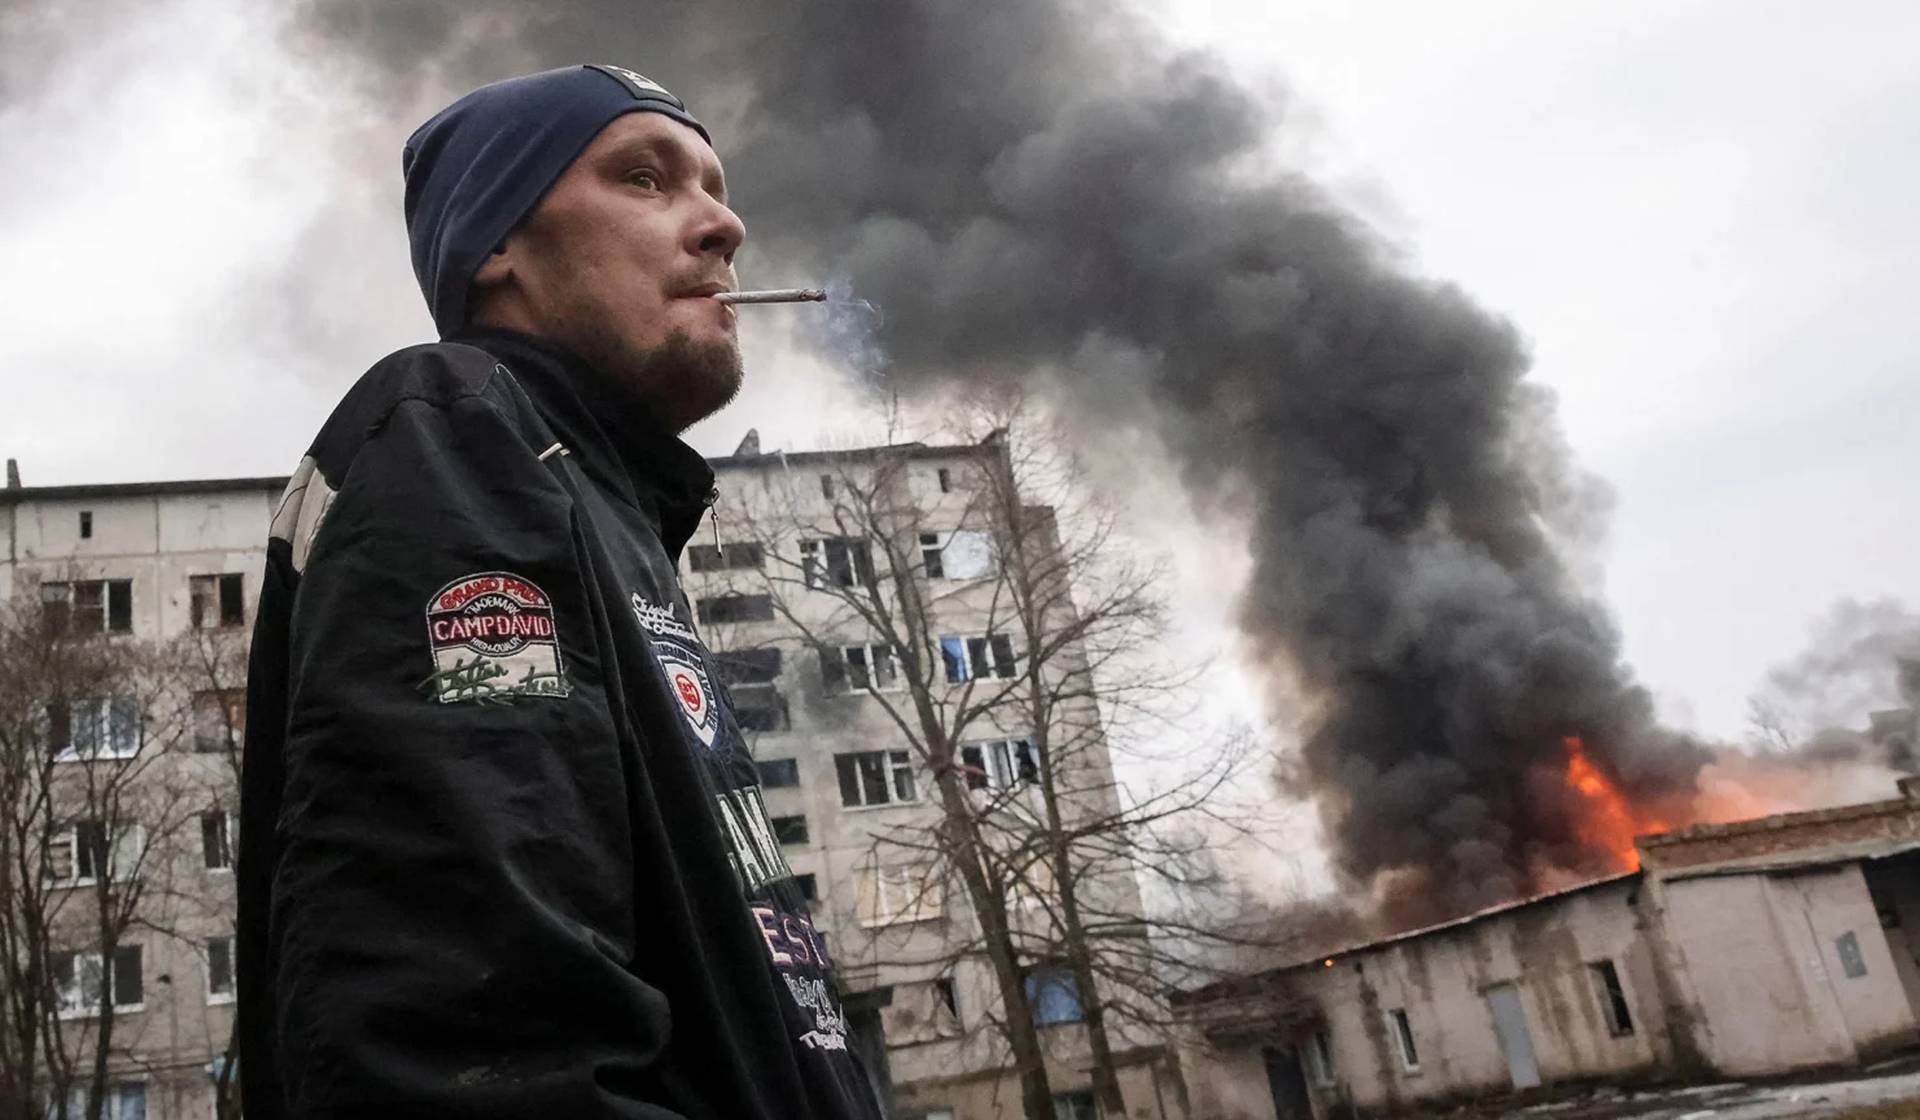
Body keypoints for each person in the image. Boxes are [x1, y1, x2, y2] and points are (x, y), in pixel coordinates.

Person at [237, 65, 883, 1118]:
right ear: (495, 245)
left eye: (716, 187)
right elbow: (476, 1047)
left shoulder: (593, 500)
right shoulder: (456, 434)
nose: (725, 224)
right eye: (643, 178)